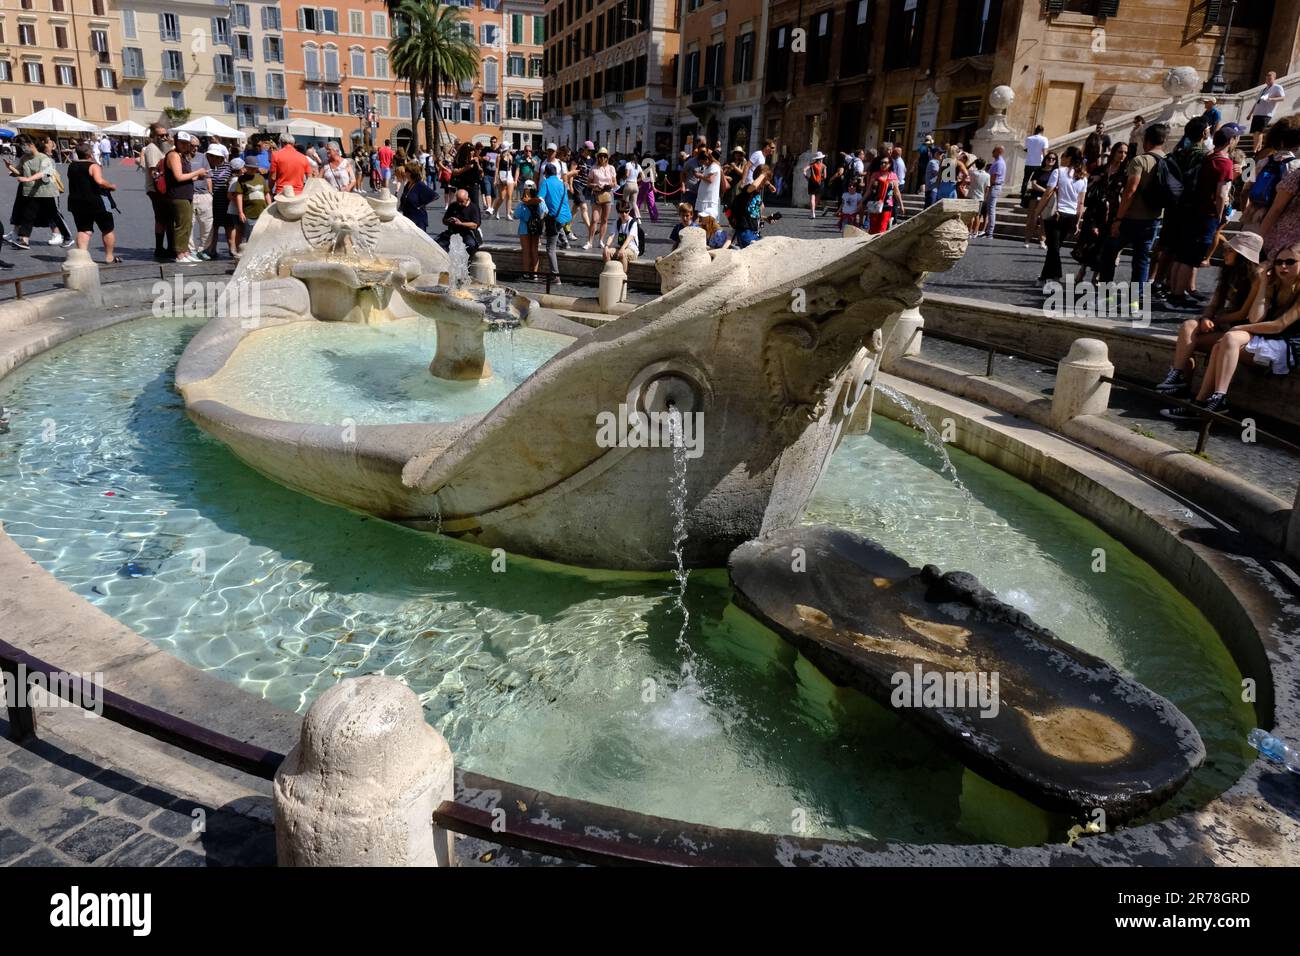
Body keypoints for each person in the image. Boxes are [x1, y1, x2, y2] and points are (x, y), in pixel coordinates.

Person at [1164, 240, 1300, 418]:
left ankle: (1209, 399)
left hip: (1286, 344)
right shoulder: (1272, 284)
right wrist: (1265, 285)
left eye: (1290, 262)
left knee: (1230, 338)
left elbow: (1278, 326)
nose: (1283, 266)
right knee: (1222, 343)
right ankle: (1206, 400)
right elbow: (1256, 317)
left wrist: (1237, 327)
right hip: (1263, 336)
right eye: (1278, 262)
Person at [1154, 231, 1265, 397]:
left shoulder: (1256, 278)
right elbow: (1214, 303)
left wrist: (1216, 319)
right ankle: (1176, 375)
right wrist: (1206, 317)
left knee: (1189, 342)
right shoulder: (1228, 272)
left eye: (1230, 250)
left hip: (1239, 328)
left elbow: (1244, 314)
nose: (1224, 252)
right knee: (1189, 326)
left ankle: (1185, 384)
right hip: (1222, 320)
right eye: (1227, 249)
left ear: (1242, 255)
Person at [1165, 125, 1240, 309]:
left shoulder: (1208, 157)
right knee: (1191, 258)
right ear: (1230, 141)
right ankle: (1177, 295)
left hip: (1191, 210)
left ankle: (1174, 290)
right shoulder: (1224, 163)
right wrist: (1220, 215)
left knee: (1182, 254)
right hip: (1207, 214)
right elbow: (1222, 194)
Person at [1101, 122, 1169, 286]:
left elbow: (1130, 191)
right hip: (1154, 217)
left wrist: (1118, 219)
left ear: (1146, 140)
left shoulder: (1140, 161)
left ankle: (1106, 293)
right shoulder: (1168, 160)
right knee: (1142, 259)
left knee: (1109, 251)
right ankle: (1136, 301)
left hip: (1131, 217)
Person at [1072, 143, 1128, 283]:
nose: (1122, 155)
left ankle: (1095, 275)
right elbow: (1087, 185)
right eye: (1120, 152)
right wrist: (1094, 180)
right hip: (1095, 209)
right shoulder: (1102, 169)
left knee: (1103, 244)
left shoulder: (1124, 173)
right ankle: (1083, 268)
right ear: (1114, 152)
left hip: (1111, 211)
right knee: (1088, 240)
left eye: (1125, 153)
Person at [1037, 145, 1087, 284]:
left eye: (1064, 155)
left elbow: (1047, 193)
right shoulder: (1083, 177)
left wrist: (1037, 211)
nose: (1062, 158)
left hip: (1056, 214)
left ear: (1069, 158)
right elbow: (1081, 203)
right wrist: (1077, 222)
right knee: (1055, 247)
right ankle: (1043, 278)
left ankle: (1056, 276)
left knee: (1054, 248)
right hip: (1071, 217)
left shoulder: (1058, 172)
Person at [65, 143, 118, 263]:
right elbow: (99, 181)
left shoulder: (72, 166)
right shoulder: (93, 166)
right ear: (90, 153)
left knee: (84, 230)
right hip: (96, 202)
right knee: (107, 229)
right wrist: (111, 186)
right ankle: (109, 257)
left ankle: (82, 258)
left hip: (76, 202)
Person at [165, 132, 207, 263]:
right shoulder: (173, 155)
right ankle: (179, 254)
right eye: (181, 142)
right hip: (178, 195)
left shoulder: (182, 156)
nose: (184, 145)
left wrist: (196, 177)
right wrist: (198, 172)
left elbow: (184, 177)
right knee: (182, 224)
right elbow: (179, 176)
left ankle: (184, 251)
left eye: (186, 143)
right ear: (176, 142)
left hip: (185, 193)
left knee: (188, 224)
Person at [141, 124, 173, 261]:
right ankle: (159, 248)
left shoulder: (164, 147)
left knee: (166, 219)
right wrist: (161, 189)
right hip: (157, 190)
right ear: (153, 136)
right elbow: (154, 171)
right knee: (161, 219)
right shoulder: (152, 149)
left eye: (166, 134)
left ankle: (166, 247)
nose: (164, 137)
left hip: (163, 189)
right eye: (160, 135)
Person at [189, 142, 225, 260]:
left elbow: (208, 176)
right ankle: (191, 251)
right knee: (189, 225)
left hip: (204, 195)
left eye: (196, 146)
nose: (194, 148)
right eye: (192, 145)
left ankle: (203, 250)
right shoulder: (181, 157)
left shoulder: (202, 157)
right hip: (189, 195)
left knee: (207, 225)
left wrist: (210, 194)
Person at [538, 162, 571, 284]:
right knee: (557, 229)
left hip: (553, 217)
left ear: (545, 173)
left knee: (550, 248)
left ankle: (556, 276)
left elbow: (540, 198)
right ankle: (564, 241)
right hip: (564, 216)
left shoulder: (545, 182)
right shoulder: (563, 184)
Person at [228, 157, 268, 257]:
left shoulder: (261, 178)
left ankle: (259, 254)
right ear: (246, 167)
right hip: (249, 213)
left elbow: (266, 193)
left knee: (262, 235)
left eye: (255, 168)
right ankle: (249, 255)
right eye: (251, 168)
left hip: (262, 212)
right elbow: (239, 195)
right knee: (249, 235)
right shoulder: (241, 179)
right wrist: (241, 212)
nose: (253, 170)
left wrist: (269, 207)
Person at [205, 146, 235, 259]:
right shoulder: (207, 167)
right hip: (213, 202)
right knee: (214, 227)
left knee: (229, 227)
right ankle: (212, 249)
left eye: (215, 156)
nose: (212, 158)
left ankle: (232, 250)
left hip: (227, 201)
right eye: (210, 156)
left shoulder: (229, 167)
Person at [586, 147, 617, 249]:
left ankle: (601, 241)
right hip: (596, 194)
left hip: (607, 194)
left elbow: (614, 183)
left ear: (607, 157)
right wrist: (595, 185)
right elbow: (588, 183)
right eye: (600, 156)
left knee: (604, 219)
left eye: (604, 156)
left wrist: (609, 185)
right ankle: (589, 241)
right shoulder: (593, 168)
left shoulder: (611, 168)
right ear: (598, 157)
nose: (602, 158)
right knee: (595, 219)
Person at [1250, 71, 1287, 154]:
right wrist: (1250, 113)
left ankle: (1254, 150)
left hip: (1266, 113)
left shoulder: (1277, 87)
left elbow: (1283, 98)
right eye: (1267, 79)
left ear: (1274, 79)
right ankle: (1258, 149)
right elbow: (1257, 102)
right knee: (1255, 133)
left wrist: (1271, 99)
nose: (1268, 80)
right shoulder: (1263, 89)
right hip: (1257, 113)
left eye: (1270, 79)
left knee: (1259, 132)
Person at [866, 155, 904, 234]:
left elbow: (897, 192)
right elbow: (868, 190)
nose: (883, 165)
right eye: (881, 163)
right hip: (875, 204)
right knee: (873, 227)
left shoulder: (893, 176)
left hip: (887, 205)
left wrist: (901, 205)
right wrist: (862, 201)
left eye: (885, 163)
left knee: (882, 227)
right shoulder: (875, 175)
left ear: (889, 164)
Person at [437, 188, 482, 254]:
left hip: (467, 232)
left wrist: (461, 224)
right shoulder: (453, 205)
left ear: (467, 199)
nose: (459, 203)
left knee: (471, 245)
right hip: (453, 231)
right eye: (458, 201)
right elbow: (444, 220)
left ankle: (469, 260)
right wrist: (449, 220)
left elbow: (475, 225)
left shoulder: (474, 208)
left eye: (461, 201)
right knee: (438, 243)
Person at [396, 161, 437, 231]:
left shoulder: (420, 185)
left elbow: (434, 196)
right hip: (408, 219)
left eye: (406, 171)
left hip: (418, 220)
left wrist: (421, 204)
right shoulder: (408, 184)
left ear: (410, 173)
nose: (404, 173)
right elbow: (404, 199)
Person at [269, 133, 311, 197]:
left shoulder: (276, 155)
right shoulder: (303, 157)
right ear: (293, 144)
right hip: (299, 194)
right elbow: (309, 178)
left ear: (281, 142)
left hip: (282, 193)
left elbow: (273, 177)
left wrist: (269, 190)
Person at [603, 201, 640, 270]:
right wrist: (606, 246)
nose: (624, 214)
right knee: (606, 252)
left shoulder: (633, 223)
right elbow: (611, 236)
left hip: (632, 249)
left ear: (629, 211)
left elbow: (630, 237)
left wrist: (622, 248)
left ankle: (623, 278)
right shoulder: (616, 222)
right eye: (621, 212)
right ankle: (608, 272)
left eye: (626, 211)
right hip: (619, 247)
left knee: (623, 254)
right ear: (618, 212)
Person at [983, 146, 1006, 238]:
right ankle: (989, 230)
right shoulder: (997, 162)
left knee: (991, 209)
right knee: (990, 208)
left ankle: (990, 232)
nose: (992, 152)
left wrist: (988, 185)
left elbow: (994, 177)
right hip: (994, 186)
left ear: (998, 151)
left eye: (994, 150)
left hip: (994, 186)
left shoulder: (999, 163)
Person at [1021, 125, 1049, 201]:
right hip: (1039, 163)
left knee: (1025, 180)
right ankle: (1036, 197)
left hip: (1029, 162)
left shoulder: (1029, 138)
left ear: (1035, 130)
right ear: (1042, 131)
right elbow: (1044, 152)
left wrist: (1032, 151)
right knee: (1038, 181)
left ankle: (1023, 197)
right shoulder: (1044, 139)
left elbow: (1025, 149)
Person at [694, 149, 722, 221]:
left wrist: (699, 175)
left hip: (709, 199)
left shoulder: (714, 166)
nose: (702, 164)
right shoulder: (708, 167)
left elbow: (710, 179)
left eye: (702, 162)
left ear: (706, 159)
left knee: (708, 220)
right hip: (704, 198)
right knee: (701, 219)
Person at [966, 158, 990, 238]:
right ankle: (975, 232)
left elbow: (966, 168)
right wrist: (985, 197)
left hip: (971, 195)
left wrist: (973, 162)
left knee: (970, 215)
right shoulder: (987, 175)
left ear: (976, 164)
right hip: (980, 197)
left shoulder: (973, 173)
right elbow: (987, 188)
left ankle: (969, 231)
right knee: (977, 215)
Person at [803, 151, 827, 218]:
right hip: (820, 183)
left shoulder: (812, 165)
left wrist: (807, 178)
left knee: (812, 198)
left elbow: (804, 170)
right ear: (821, 158)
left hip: (812, 182)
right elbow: (825, 177)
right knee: (817, 199)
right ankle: (814, 211)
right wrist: (820, 179)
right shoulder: (824, 166)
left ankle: (812, 213)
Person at [492, 150, 515, 219]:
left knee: (509, 196)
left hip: (509, 175)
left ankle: (508, 214)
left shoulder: (510, 156)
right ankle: (495, 210)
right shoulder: (499, 156)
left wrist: (513, 178)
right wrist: (495, 179)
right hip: (502, 175)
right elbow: (497, 168)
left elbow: (511, 167)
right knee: (502, 197)